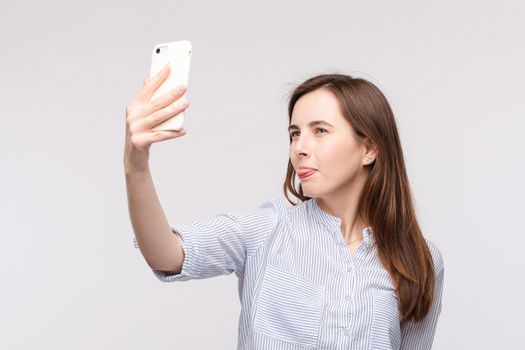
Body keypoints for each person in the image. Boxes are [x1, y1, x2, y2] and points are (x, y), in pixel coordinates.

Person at [124, 65, 444, 350]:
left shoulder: (419, 260)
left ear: (369, 148)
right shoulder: (267, 229)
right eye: (295, 134)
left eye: (320, 131)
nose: (299, 148)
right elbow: (166, 253)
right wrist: (136, 165)